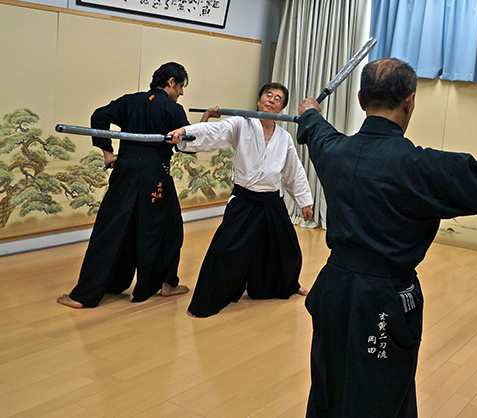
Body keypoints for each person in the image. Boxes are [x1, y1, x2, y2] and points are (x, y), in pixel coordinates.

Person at [296, 58, 477, 417]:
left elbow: (315, 129)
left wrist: (310, 111)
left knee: (329, 385)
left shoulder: (334, 151)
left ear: (360, 100)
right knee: (381, 393)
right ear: (410, 101)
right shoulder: (422, 167)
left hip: (333, 291)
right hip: (383, 298)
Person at [167, 82, 314, 318]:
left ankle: (287, 285)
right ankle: (209, 299)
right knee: (224, 249)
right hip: (244, 200)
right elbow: (214, 133)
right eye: (268, 95)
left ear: (280, 108)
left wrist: (304, 202)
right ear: (258, 101)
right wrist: (185, 132)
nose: (272, 100)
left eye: (278, 99)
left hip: (271, 201)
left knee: (287, 248)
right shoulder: (241, 124)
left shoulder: (284, 138)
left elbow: (293, 172)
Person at [57, 62, 192, 309]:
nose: (181, 93)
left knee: (111, 230)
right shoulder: (173, 109)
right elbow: (187, 141)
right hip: (156, 175)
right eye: (181, 86)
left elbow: (99, 115)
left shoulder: (130, 101)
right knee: (166, 229)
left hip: (126, 171)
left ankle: (84, 295)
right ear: (172, 82)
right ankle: (164, 283)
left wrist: (108, 152)